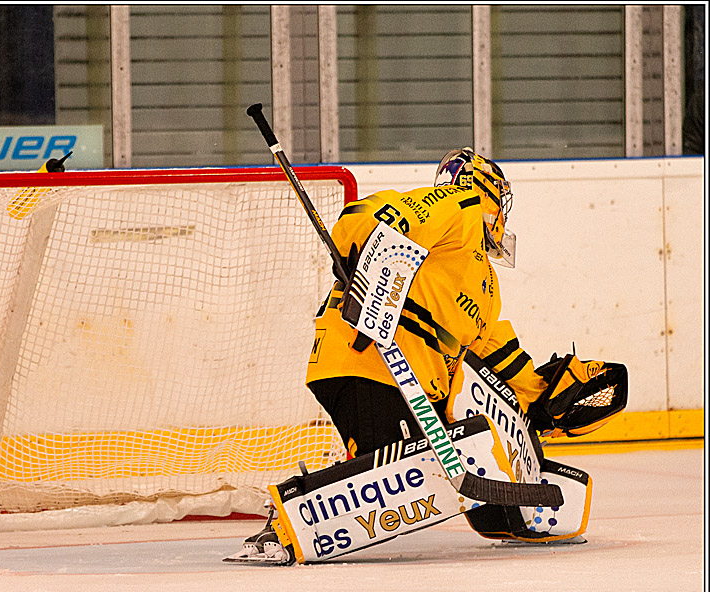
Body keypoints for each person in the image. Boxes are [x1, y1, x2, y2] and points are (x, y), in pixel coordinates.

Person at [226, 147, 626, 565]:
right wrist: (360, 243)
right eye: (501, 200)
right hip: (369, 362)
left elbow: (492, 347)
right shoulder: (461, 206)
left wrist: (540, 397)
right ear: (487, 190)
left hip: (413, 385)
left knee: (428, 467)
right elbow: (370, 215)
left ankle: (507, 513)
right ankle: (284, 523)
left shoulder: (483, 279)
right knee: (398, 473)